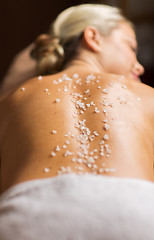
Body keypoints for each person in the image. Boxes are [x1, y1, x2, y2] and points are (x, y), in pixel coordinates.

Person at [0, 4, 154, 240]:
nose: (139, 65)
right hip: (136, 213)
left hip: (30, 216)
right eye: (131, 47)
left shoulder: (13, 98)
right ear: (93, 37)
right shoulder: (147, 96)